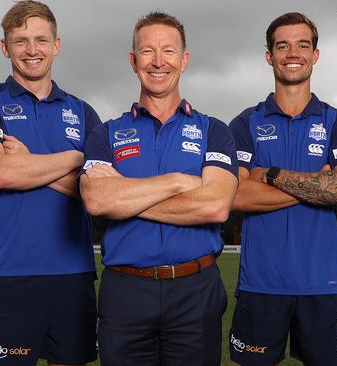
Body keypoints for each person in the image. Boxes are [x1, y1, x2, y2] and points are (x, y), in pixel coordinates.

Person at [79, 11, 238, 366]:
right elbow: (96, 198)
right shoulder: (105, 133)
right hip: (125, 290)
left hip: (195, 288)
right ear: (133, 60)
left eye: (168, 51)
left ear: (184, 60)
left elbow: (215, 206)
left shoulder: (215, 130)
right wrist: (179, 182)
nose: (158, 62)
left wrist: (126, 196)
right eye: (147, 51)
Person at [0, 1, 101, 365]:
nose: (31, 50)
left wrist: (29, 161)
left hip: (74, 274)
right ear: (4, 47)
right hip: (10, 273)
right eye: (20, 40)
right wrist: (74, 158)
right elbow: (0, 173)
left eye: (41, 39)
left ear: (56, 45)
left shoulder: (83, 112)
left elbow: (97, 191)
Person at [228, 12, 337, 365]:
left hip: (323, 284)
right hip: (261, 284)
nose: (293, 53)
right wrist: (319, 183)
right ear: (269, 55)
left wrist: (269, 174)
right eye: (283, 45)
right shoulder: (245, 123)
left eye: (303, 45)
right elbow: (234, 194)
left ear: (315, 55)